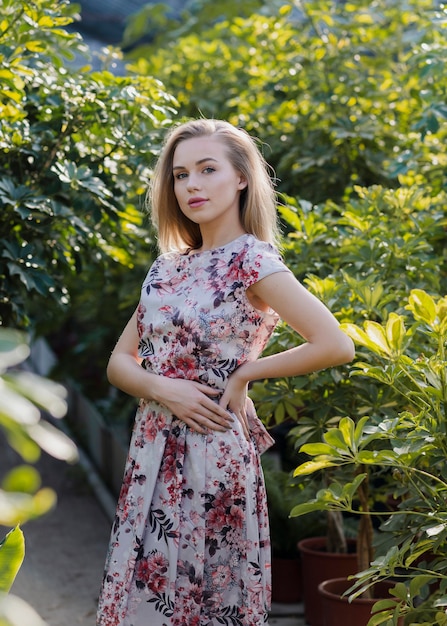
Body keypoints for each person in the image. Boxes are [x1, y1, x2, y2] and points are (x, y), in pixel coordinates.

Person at [96, 118, 354, 626]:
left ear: (241, 178)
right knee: (144, 605)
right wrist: (163, 388)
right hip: (151, 452)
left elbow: (335, 344)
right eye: (180, 174)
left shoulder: (253, 262)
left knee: (205, 604)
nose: (191, 184)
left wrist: (244, 375)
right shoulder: (167, 267)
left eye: (207, 169)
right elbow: (119, 363)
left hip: (211, 451)